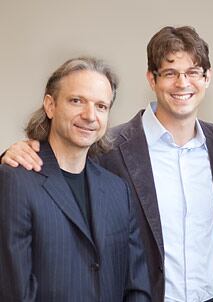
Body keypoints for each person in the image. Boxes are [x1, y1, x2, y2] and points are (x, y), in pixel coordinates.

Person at [1, 26, 213, 302]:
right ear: (151, 79)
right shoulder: (109, 146)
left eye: (193, 72)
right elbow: (55, 177)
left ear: (207, 78)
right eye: (170, 73)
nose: (183, 83)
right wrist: (9, 156)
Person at [0, 57, 151, 301]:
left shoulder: (117, 190)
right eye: (77, 101)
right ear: (50, 106)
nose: (90, 115)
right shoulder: (16, 181)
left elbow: (137, 285)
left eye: (101, 106)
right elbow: (13, 290)